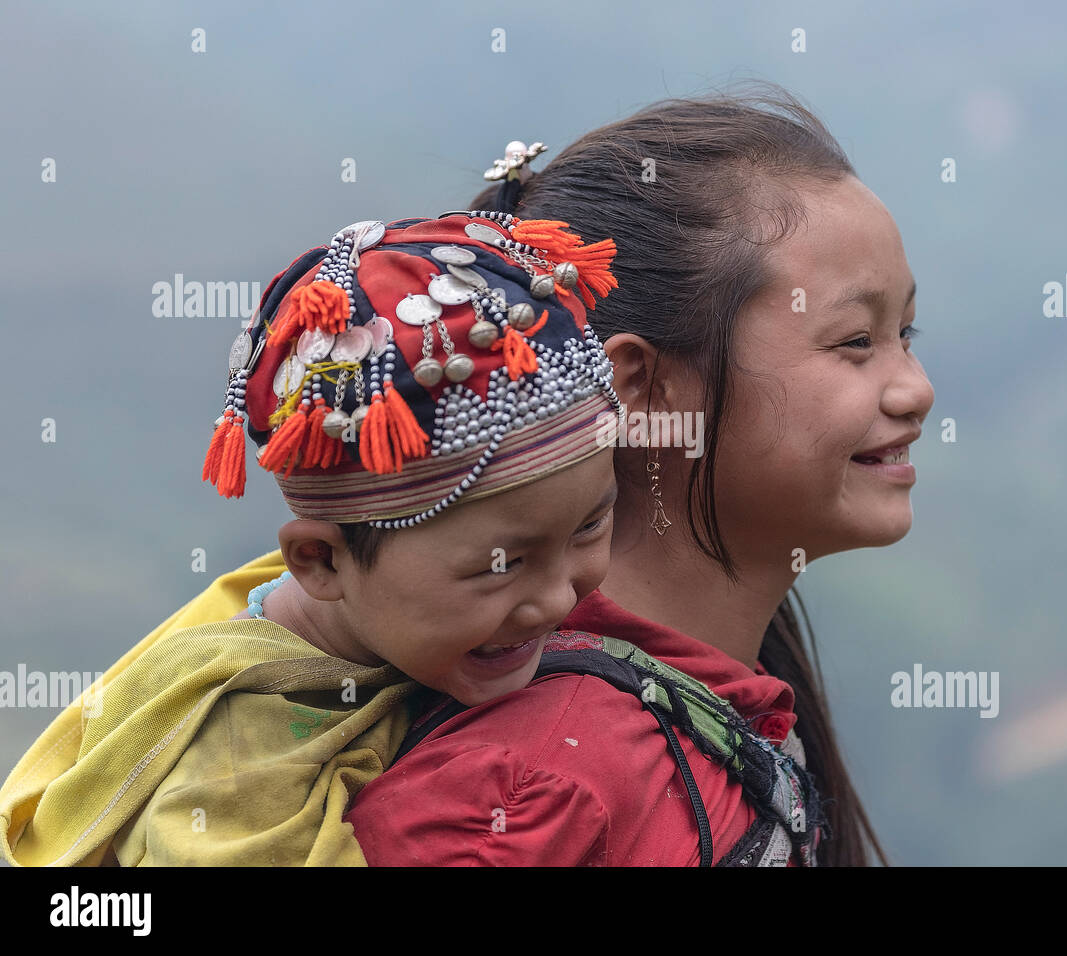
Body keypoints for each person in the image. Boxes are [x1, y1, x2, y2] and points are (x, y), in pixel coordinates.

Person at [342, 84, 934, 866]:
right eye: (856, 341)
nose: (914, 388)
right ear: (639, 388)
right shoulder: (543, 782)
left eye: (905, 332)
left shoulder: (706, 712)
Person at [0, 200, 627, 866]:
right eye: (503, 564)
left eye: (590, 525)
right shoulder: (238, 772)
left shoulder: (364, 604)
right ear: (320, 563)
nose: (559, 598)